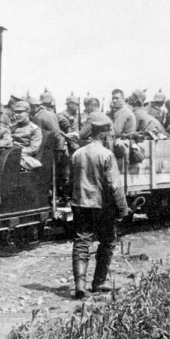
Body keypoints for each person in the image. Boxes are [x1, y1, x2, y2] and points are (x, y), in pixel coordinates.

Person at [70, 116, 128, 299]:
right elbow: (114, 186)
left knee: (81, 242)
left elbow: (71, 180)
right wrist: (122, 209)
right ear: (103, 133)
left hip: (80, 204)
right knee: (108, 241)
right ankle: (98, 282)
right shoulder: (106, 155)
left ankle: (80, 285)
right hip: (101, 205)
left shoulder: (77, 153)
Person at [11, 101, 43, 171]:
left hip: (23, 157)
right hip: (10, 154)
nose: (16, 115)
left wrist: (15, 153)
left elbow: (33, 149)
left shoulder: (34, 129)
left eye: (20, 112)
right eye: (15, 112)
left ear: (27, 112)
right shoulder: (12, 128)